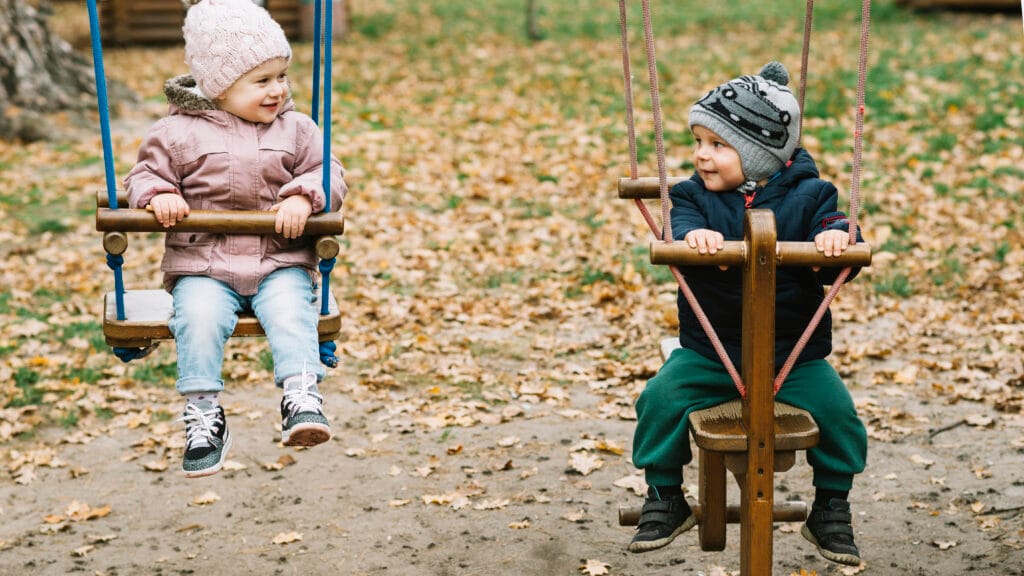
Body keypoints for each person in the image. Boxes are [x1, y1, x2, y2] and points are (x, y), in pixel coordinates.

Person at [628, 62, 867, 567]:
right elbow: (680, 222)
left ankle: (830, 507)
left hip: (791, 359)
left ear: (760, 154)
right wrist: (694, 237)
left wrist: (837, 238)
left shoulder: (811, 195)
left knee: (842, 417)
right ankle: (665, 495)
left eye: (717, 145)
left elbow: (839, 230)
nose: (700, 155)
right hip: (712, 354)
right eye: (698, 141)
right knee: (658, 399)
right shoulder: (692, 196)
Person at [124, 0, 348, 478]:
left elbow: (329, 172)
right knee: (198, 319)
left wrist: (304, 198)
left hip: (279, 261)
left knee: (292, 312)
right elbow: (141, 176)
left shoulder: (298, 128)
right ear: (219, 87)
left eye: (281, 76)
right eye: (261, 80)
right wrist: (159, 195)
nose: (278, 90)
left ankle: (302, 396)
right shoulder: (176, 134)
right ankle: (204, 415)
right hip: (204, 265)